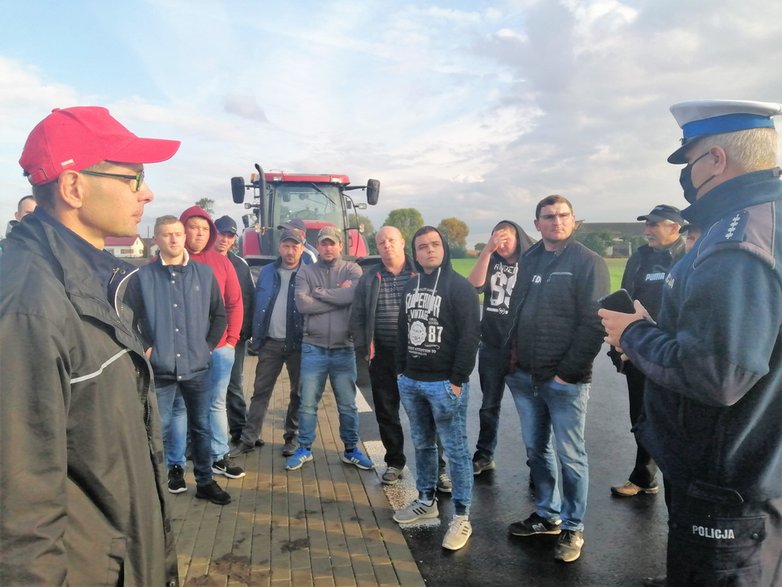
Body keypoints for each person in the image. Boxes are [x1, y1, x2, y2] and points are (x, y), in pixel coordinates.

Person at [601, 99, 782, 586]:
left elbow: (717, 374)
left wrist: (633, 333)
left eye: (691, 160)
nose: (689, 177)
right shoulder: (767, 220)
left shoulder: (736, 241)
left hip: (727, 487)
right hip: (751, 473)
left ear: (717, 160)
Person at [0, 106, 180, 584]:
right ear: (74, 187)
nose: (147, 192)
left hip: (119, 551)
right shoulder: (31, 304)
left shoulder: (92, 280)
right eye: (133, 176)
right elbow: (20, 508)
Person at [505, 195, 609, 563]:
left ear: (574, 221)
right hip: (525, 377)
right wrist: (511, 360)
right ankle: (547, 515)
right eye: (548, 217)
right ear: (536, 224)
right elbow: (516, 311)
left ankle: (573, 526)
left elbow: (594, 323)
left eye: (563, 216)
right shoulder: (530, 259)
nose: (556, 222)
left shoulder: (588, 262)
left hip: (565, 381)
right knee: (537, 452)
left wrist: (568, 373)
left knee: (571, 455)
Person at [126, 215, 230, 505]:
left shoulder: (203, 275)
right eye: (166, 234)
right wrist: (147, 349)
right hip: (160, 368)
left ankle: (206, 481)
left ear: (184, 238)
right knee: (159, 426)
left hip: (197, 367)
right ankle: (156, 484)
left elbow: (219, 316)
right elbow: (128, 319)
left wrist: (206, 347)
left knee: (201, 425)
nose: (173, 239)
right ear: (155, 239)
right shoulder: (143, 278)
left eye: (177, 234)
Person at [393, 226, 480, 551]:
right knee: (423, 445)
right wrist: (401, 371)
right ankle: (426, 499)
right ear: (414, 253)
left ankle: (461, 516)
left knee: (456, 451)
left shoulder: (460, 288)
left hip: (445, 383)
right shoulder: (410, 285)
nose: (429, 250)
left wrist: (457, 380)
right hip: (412, 381)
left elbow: (470, 336)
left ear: (443, 247)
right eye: (422, 246)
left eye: (434, 244)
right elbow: (402, 330)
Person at [351, 225, 452, 491]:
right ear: (377, 246)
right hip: (382, 356)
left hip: (419, 356)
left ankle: (439, 469)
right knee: (386, 412)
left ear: (402, 242)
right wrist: (364, 349)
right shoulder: (370, 277)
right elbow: (358, 316)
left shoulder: (420, 273)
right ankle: (395, 461)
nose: (387, 245)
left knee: (428, 413)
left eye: (392, 240)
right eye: (382, 242)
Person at [608, 204, 685, 498]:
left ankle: (680, 485)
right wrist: (620, 345)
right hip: (639, 351)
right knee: (640, 417)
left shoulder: (687, 256)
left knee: (674, 421)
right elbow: (625, 299)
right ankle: (643, 477)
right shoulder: (640, 257)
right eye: (647, 224)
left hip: (673, 353)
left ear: (674, 228)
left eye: (654, 224)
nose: (647, 230)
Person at [286, 226, 373, 471]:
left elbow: (352, 296)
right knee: (307, 403)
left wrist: (321, 293)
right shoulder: (306, 271)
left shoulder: (353, 269)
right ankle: (304, 448)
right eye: (323, 244)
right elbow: (303, 305)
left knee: (347, 404)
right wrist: (338, 297)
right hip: (313, 347)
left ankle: (351, 449)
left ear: (340, 246)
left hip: (343, 348)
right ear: (318, 246)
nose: (327, 247)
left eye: (332, 243)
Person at [180, 205, 245, 479]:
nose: (199, 233)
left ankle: (219, 455)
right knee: (180, 404)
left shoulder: (222, 262)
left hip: (219, 348)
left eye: (204, 228)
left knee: (216, 402)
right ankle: (179, 459)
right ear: (182, 229)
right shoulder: (169, 261)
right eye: (193, 227)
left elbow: (235, 302)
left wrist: (231, 339)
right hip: (181, 350)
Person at [230, 229, 306, 458]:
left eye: (295, 247)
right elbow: (253, 302)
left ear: (302, 248)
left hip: (298, 344)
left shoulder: (308, 274)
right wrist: (252, 333)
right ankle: (248, 439)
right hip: (270, 343)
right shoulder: (266, 272)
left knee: (298, 394)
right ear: (279, 248)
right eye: (286, 246)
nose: (290, 251)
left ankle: (292, 438)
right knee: (260, 393)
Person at [466, 220, 534, 475]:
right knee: (489, 405)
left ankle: (536, 463)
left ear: (519, 238)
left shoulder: (532, 263)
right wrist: (486, 252)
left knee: (530, 409)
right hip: (492, 345)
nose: (502, 244)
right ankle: (484, 454)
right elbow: (473, 286)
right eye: (497, 238)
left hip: (522, 347)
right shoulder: (492, 261)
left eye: (507, 238)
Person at [213, 215, 254, 445]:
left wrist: (244, 334)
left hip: (233, 337)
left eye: (229, 235)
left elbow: (247, 299)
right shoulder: (198, 261)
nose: (224, 239)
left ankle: (240, 431)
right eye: (221, 233)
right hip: (203, 338)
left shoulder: (240, 265)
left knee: (234, 385)